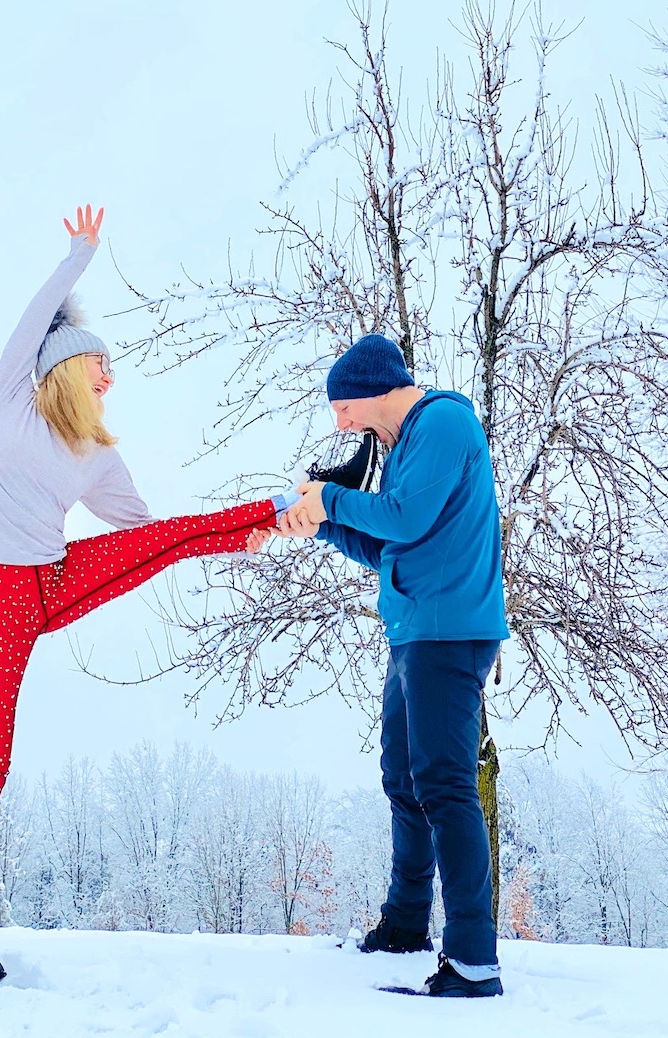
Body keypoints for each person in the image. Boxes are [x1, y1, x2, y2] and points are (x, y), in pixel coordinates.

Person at [0, 205, 301, 991]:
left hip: (52, 581)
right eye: (100, 364)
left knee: (162, 541)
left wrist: (225, 542)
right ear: (66, 366)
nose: (111, 375)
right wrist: (79, 256)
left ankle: (270, 514)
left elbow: (145, 532)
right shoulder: (9, 397)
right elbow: (34, 316)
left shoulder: (93, 453)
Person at [276, 333, 509, 998]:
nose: (341, 423)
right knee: (403, 779)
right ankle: (406, 923)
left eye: (342, 408)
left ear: (373, 390)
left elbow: (403, 519)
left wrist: (328, 498)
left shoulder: (441, 420)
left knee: (443, 785)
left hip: (448, 632)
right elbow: (390, 548)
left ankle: (472, 959)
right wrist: (317, 524)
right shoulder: (406, 446)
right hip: (415, 630)